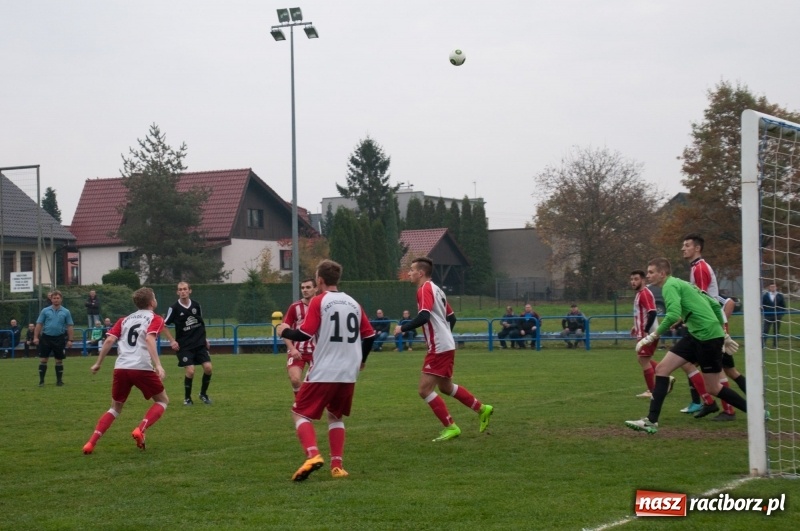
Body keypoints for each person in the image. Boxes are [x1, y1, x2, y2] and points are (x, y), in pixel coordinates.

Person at [277, 259, 375, 481]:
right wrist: (362, 359)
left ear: (319, 280)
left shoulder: (319, 301)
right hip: (349, 371)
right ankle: (337, 466)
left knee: (299, 413)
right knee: (335, 414)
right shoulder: (353, 302)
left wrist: (284, 331)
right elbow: (369, 335)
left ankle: (312, 455)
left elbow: (305, 333)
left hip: (326, 369)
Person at [624, 257, 747, 434]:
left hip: (707, 337)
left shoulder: (669, 286)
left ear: (662, 273)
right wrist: (723, 330)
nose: (648, 276)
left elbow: (673, 315)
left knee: (713, 388)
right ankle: (651, 421)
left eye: (651, 272)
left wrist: (653, 336)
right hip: (697, 334)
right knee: (662, 369)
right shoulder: (681, 283)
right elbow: (713, 303)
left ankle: (754, 411)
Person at [394, 257, 494, 442]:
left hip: (439, 346)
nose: (409, 273)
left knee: (424, 390)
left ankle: (451, 427)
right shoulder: (437, 289)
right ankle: (482, 409)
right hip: (444, 343)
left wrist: (402, 328)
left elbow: (424, 316)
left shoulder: (424, 289)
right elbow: (452, 318)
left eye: (412, 270)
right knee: (446, 387)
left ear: (421, 273)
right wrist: (444, 335)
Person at [82, 287, 169, 455]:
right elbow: (150, 338)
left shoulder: (124, 320)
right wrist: (158, 365)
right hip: (141, 366)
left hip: (121, 367)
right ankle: (140, 429)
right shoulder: (155, 318)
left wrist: (98, 363)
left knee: (115, 408)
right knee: (162, 401)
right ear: (152, 302)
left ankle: (90, 443)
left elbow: (109, 341)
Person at [682, 233, 746, 421]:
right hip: (710, 327)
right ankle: (717, 405)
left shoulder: (700, 268)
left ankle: (720, 406)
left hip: (709, 329)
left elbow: (701, 298)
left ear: (697, 248)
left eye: (686, 245)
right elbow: (721, 300)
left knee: (696, 366)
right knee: (727, 371)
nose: (683, 248)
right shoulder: (698, 267)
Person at [162, 282, 213, 406]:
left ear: (190, 291)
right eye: (180, 289)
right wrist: (172, 341)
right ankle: (187, 398)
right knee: (190, 371)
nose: (183, 291)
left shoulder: (196, 305)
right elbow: (163, 325)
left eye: (185, 289)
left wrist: (205, 339)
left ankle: (203, 394)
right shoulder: (174, 308)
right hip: (184, 346)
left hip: (199, 343)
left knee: (208, 368)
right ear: (177, 292)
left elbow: (200, 322)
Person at [629, 270, 674, 398]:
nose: (633, 282)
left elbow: (652, 312)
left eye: (636, 279)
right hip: (645, 332)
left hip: (649, 334)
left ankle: (653, 392)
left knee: (643, 360)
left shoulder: (644, 293)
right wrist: (636, 326)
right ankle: (666, 377)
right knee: (642, 359)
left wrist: (645, 330)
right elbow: (642, 314)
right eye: (632, 279)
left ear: (643, 280)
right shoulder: (639, 293)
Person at [282, 278, 317, 395]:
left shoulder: (321, 306)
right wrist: (292, 349)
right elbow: (284, 330)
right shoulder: (294, 307)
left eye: (308, 287)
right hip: (298, 351)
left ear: (316, 288)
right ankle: (299, 404)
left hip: (317, 352)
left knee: (319, 383)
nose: (305, 290)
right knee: (295, 380)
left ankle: (312, 405)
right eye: (302, 288)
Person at [33, 290, 74, 387]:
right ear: (51, 299)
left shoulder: (66, 312)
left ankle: (59, 381)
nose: (56, 300)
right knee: (43, 359)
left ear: (61, 299)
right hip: (46, 338)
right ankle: (41, 381)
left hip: (59, 338)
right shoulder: (45, 311)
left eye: (58, 298)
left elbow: (70, 326)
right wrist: (35, 337)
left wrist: (70, 340)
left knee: (59, 360)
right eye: (54, 298)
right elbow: (39, 324)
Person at [762, 282, 785, 348]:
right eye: (771, 286)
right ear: (769, 287)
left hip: (777, 315)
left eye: (774, 286)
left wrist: (781, 314)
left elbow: (783, 306)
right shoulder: (765, 296)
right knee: (765, 330)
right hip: (768, 315)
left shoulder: (780, 296)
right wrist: (765, 312)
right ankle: (763, 344)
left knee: (776, 331)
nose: (772, 288)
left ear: (776, 287)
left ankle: (775, 345)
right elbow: (763, 305)